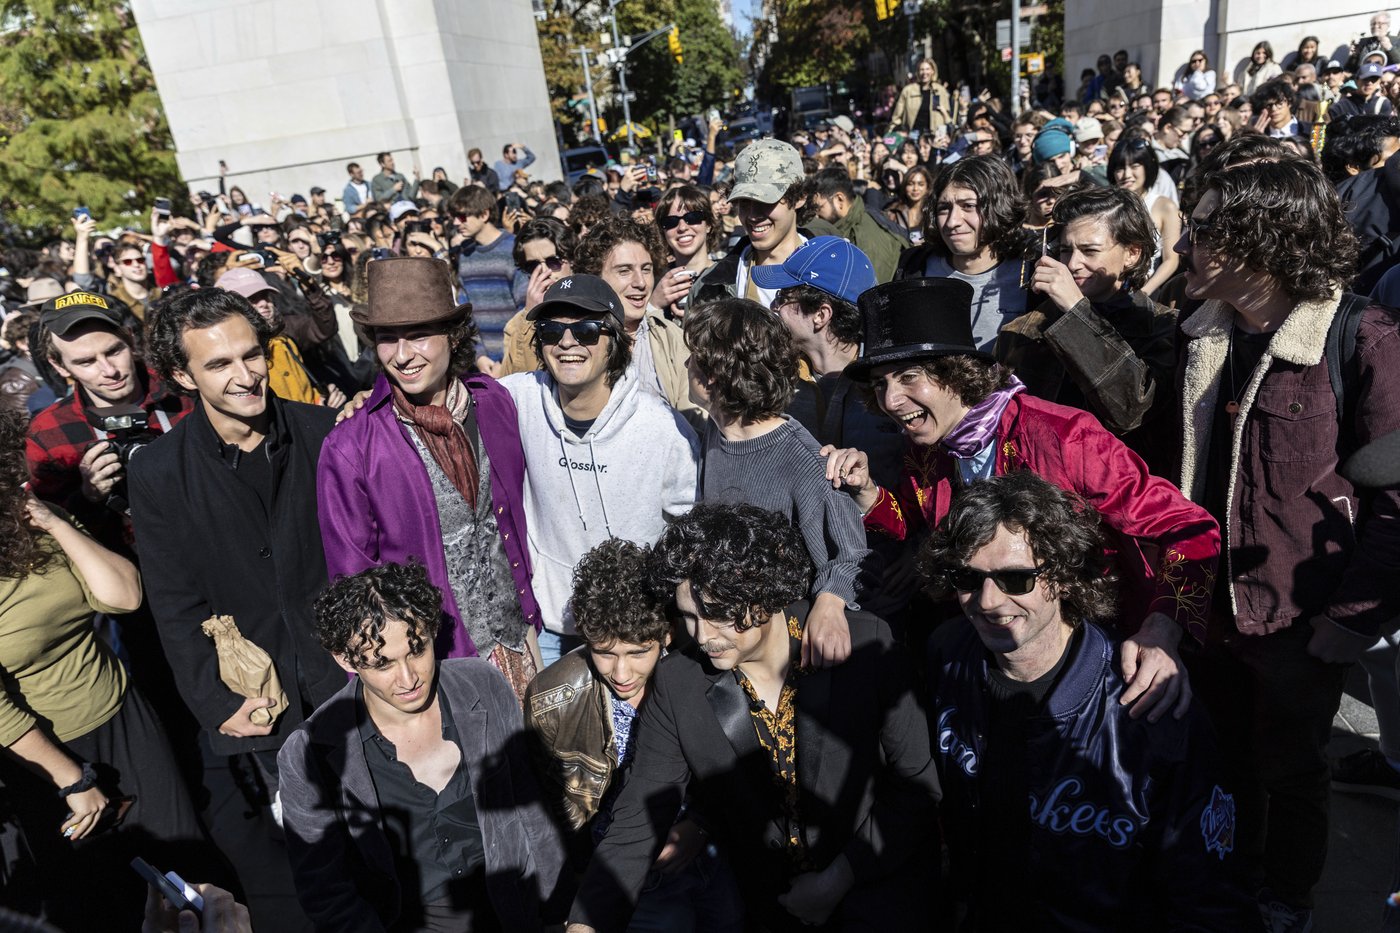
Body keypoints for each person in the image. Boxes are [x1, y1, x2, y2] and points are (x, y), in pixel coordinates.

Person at [824, 276, 1221, 719]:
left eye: (909, 377)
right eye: (880, 384)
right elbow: (911, 518)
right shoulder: (929, 447)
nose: (891, 400)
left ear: (956, 372)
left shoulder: (1065, 437)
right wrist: (866, 491)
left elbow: (1190, 529)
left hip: (1104, 659)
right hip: (998, 652)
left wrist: (1163, 629)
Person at [1172, 157, 1400, 931]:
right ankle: (1229, 880)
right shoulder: (1198, 331)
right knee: (1225, 763)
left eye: (1205, 229)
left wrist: (1351, 618)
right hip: (1212, 611)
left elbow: (1396, 497)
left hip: (1302, 624)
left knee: (1294, 773)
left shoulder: (1362, 334)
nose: (1185, 244)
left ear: (1264, 239)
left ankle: (1285, 901)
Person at [564, 503, 940, 933]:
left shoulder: (864, 646)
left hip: (879, 898)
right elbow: (639, 816)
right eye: (689, 616)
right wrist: (585, 925)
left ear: (764, 589)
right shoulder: (679, 683)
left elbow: (917, 784)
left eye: (717, 613)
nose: (702, 636)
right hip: (773, 912)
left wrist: (839, 878)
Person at [923, 471, 1259, 931]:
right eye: (968, 578)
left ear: (1062, 576)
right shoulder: (947, 656)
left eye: (1015, 579)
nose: (988, 601)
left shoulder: (1147, 705)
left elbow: (1210, 900)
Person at [128, 286, 348, 927]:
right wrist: (218, 702)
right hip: (260, 697)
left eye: (251, 355)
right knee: (318, 854)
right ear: (182, 375)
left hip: (350, 678)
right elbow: (173, 601)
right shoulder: (158, 471)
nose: (246, 375)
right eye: (219, 363)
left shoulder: (323, 433)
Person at [0, 405, 206, 933]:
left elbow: (124, 595)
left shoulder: (31, 522)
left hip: (124, 716)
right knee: (114, 901)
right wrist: (72, 781)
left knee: (188, 871)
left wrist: (52, 522)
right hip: (48, 755)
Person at [279, 561, 565, 932]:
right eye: (383, 664)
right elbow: (327, 892)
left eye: (417, 651)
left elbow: (535, 815)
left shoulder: (483, 685)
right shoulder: (309, 752)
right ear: (345, 659)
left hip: (513, 911)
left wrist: (558, 913)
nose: (408, 678)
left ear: (431, 632)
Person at [316, 257, 542, 698]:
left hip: (521, 640)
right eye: (387, 338)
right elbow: (354, 587)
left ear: (452, 335)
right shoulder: (351, 447)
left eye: (418, 334)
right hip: (434, 670)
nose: (402, 355)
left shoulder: (494, 403)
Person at [524, 539, 742, 930]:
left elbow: (734, 769)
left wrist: (700, 825)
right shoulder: (551, 700)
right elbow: (560, 812)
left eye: (638, 653)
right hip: (632, 882)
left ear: (667, 635)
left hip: (712, 855)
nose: (621, 674)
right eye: (605, 653)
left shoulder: (702, 674)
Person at [500, 274, 698, 666]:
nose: (567, 342)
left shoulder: (662, 428)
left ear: (616, 341)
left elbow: (689, 524)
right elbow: (450, 396)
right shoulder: (517, 399)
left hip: (632, 630)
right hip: (551, 624)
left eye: (586, 330)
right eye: (551, 330)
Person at [998, 186, 1178, 474]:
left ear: (1132, 253)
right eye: (1065, 250)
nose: (1072, 264)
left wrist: (1076, 311)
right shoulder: (1025, 329)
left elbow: (1132, 411)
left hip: (1126, 490)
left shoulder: (1163, 326)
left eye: (1090, 251)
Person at [892, 155, 1030, 352]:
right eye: (944, 208)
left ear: (1000, 206)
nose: (952, 222)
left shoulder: (1032, 273)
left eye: (968, 206)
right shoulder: (913, 268)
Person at [571, 215, 700, 424]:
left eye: (646, 269)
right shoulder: (571, 340)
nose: (640, 282)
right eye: (624, 271)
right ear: (595, 277)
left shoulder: (674, 339)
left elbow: (695, 422)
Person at [688, 139, 808, 309]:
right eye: (744, 202)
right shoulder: (709, 287)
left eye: (766, 200)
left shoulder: (838, 269)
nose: (753, 215)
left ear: (799, 198)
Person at [215, 266, 342, 407]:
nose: (263, 303)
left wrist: (319, 402)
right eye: (251, 299)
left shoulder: (284, 331)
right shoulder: (230, 355)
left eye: (265, 296)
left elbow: (324, 327)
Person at [446, 184, 525, 361]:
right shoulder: (465, 254)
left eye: (462, 216)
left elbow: (525, 309)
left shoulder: (514, 248)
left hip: (518, 358)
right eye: (454, 217)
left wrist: (510, 357)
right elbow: (465, 312)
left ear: (484, 214)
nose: (456, 222)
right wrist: (479, 355)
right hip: (484, 361)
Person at [497, 217, 577, 377]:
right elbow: (514, 381)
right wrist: (530, 319)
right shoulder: (517, 325)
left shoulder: (598, 306)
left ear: (572, 261)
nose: (544, 272)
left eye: (553, 262)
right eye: (532, 266)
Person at [806, 168, 908, 283]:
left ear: (839, 199)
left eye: (819, 207)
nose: (816, 215)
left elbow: (869, 288)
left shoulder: (866, 237)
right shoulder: (851, 221)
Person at [1108, 137, 1180, 296]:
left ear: (1147, 166)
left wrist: (1143, 293)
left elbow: (1171, 260)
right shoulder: (1106, 205)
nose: (1126, 174)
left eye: (1134, 166)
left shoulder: (1164, 206)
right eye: (1120, 168)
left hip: (1145, 289)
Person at [651, 184, 719, 318]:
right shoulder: (653, 281)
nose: (682, 227)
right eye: (670, 222)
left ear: (708, 225)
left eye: (693, 218)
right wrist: (653, 305)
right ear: (663, 231)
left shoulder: (731, 275)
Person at [888, 57, 952, 135]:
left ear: (933, 71)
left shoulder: (939, 90)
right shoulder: (908, 91)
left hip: (935, 135)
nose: (924, 72)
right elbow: (897, 117)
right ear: (918, 72)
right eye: (922, 69)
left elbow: (947, 115)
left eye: (927, 69)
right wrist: (892, 133)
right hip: (913, 134)